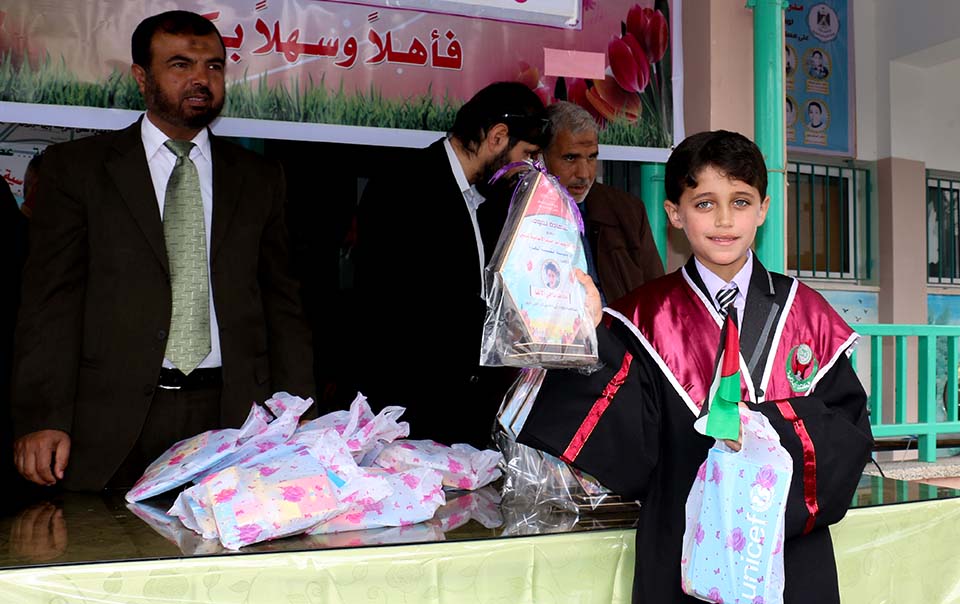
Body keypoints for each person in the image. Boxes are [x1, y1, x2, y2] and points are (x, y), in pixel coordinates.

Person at [518, 130, 873, 603]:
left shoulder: (806, 313)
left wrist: (768, 431)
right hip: (682, 554)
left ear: (763, 209)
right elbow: (627, 452)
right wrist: (590, 339)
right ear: (674, 213)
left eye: (741, 202)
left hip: (790, 557)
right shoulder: (639, 318)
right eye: (704, 203)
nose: (724, 220)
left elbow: (850, 433)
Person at [12, 10, 315, 491]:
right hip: (111, 420)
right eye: (180, 65)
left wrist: (297, 412)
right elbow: (51, 303)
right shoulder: (78, 170)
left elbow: (283, 305)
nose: (201, 79)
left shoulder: (259, 178)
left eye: (214, 66)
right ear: (141, 77)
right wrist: (42, 416)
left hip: (234, 419)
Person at [352, 81, 549, 448]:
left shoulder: (495, 199)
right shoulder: (403, 186)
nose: (531, 168)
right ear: (497, 137)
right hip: (410, 423)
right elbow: (391, 313)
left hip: (471, 420)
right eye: (528, 154)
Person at [541, 101, 663, 303]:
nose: (584, 174)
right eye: (570, 158)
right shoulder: (524, 213)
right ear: (542, 156)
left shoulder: (627, 211)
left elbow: (657, 296)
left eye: (591, 157)